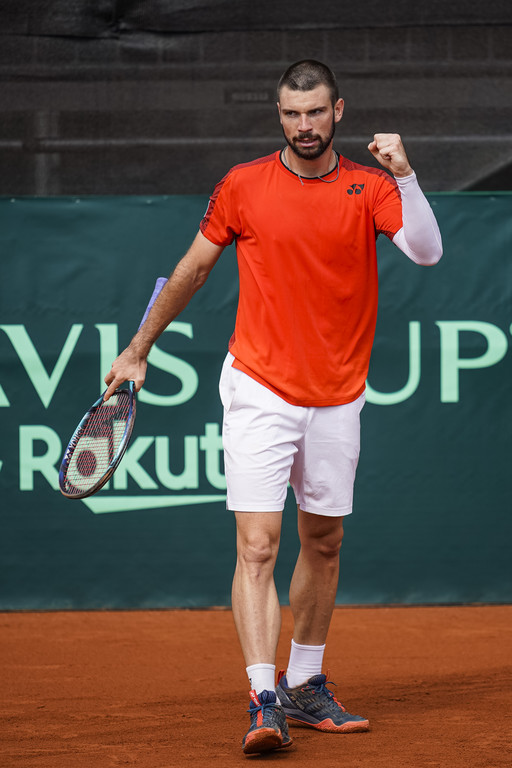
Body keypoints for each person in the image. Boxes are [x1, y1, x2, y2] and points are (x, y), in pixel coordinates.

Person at [104, 60, 442, 756]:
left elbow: (426, 252)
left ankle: (306, 683)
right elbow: (194, 268)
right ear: (279, 115)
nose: (304, 125)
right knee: (257, 545)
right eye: (292, 113)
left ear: (338, 111)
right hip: (258, 386)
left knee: (325, 542)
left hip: (339, 393)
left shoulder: (371, 186)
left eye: (315, 112)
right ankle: (263, 697)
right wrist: (139, 348)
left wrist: (406, 174)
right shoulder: (243, 185)